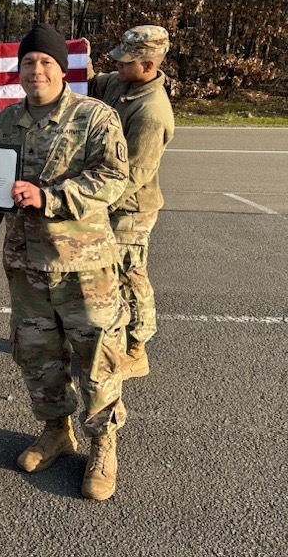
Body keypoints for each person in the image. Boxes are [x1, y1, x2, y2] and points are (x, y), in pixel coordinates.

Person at [0, 22, 131, 501]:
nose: (36, 70)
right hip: (26, 266)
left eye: (45, 62)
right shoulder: (6, 122)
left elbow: (113, 178)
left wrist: (50, 197)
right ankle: (56, 430)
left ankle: (103, 445)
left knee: (97, 357)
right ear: (18, 70)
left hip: (84, 267)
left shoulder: (95, 116)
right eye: (28, 62)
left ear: (62, 69)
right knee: (38, 356)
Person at [88, 25, 174, 379]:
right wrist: (75, 54)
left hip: (130, 209)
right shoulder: (122, 84)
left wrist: (92, 205)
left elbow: (134, 176)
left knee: (129, 276)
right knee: (108, 275)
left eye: (125, 61)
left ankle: (137, 350)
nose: (117, 65)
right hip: (108, 200)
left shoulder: (151, 112)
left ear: (149, 65)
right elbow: (91, 83)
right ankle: (113, 339)